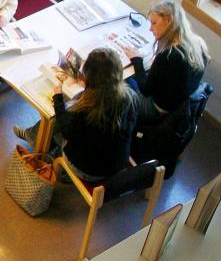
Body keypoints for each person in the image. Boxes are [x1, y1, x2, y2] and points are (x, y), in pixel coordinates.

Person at [14, 47, 138, 182]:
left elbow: (67, 130)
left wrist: (58, 99)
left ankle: (35, 140)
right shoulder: (130, 98)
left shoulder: (89, 109)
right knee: (67, 120)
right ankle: (34, 137)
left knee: (55, 120)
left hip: (88, 170)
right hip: (116, 165)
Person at [124, 0, 209, 123]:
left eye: (154, 23)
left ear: (168, 21)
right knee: (133, 78)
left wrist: (137, 60)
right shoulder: (198, 44)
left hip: (157, 109)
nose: (150, 29)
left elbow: (145, 90)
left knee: (117, 82)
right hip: (178, 107)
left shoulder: (168, 55)